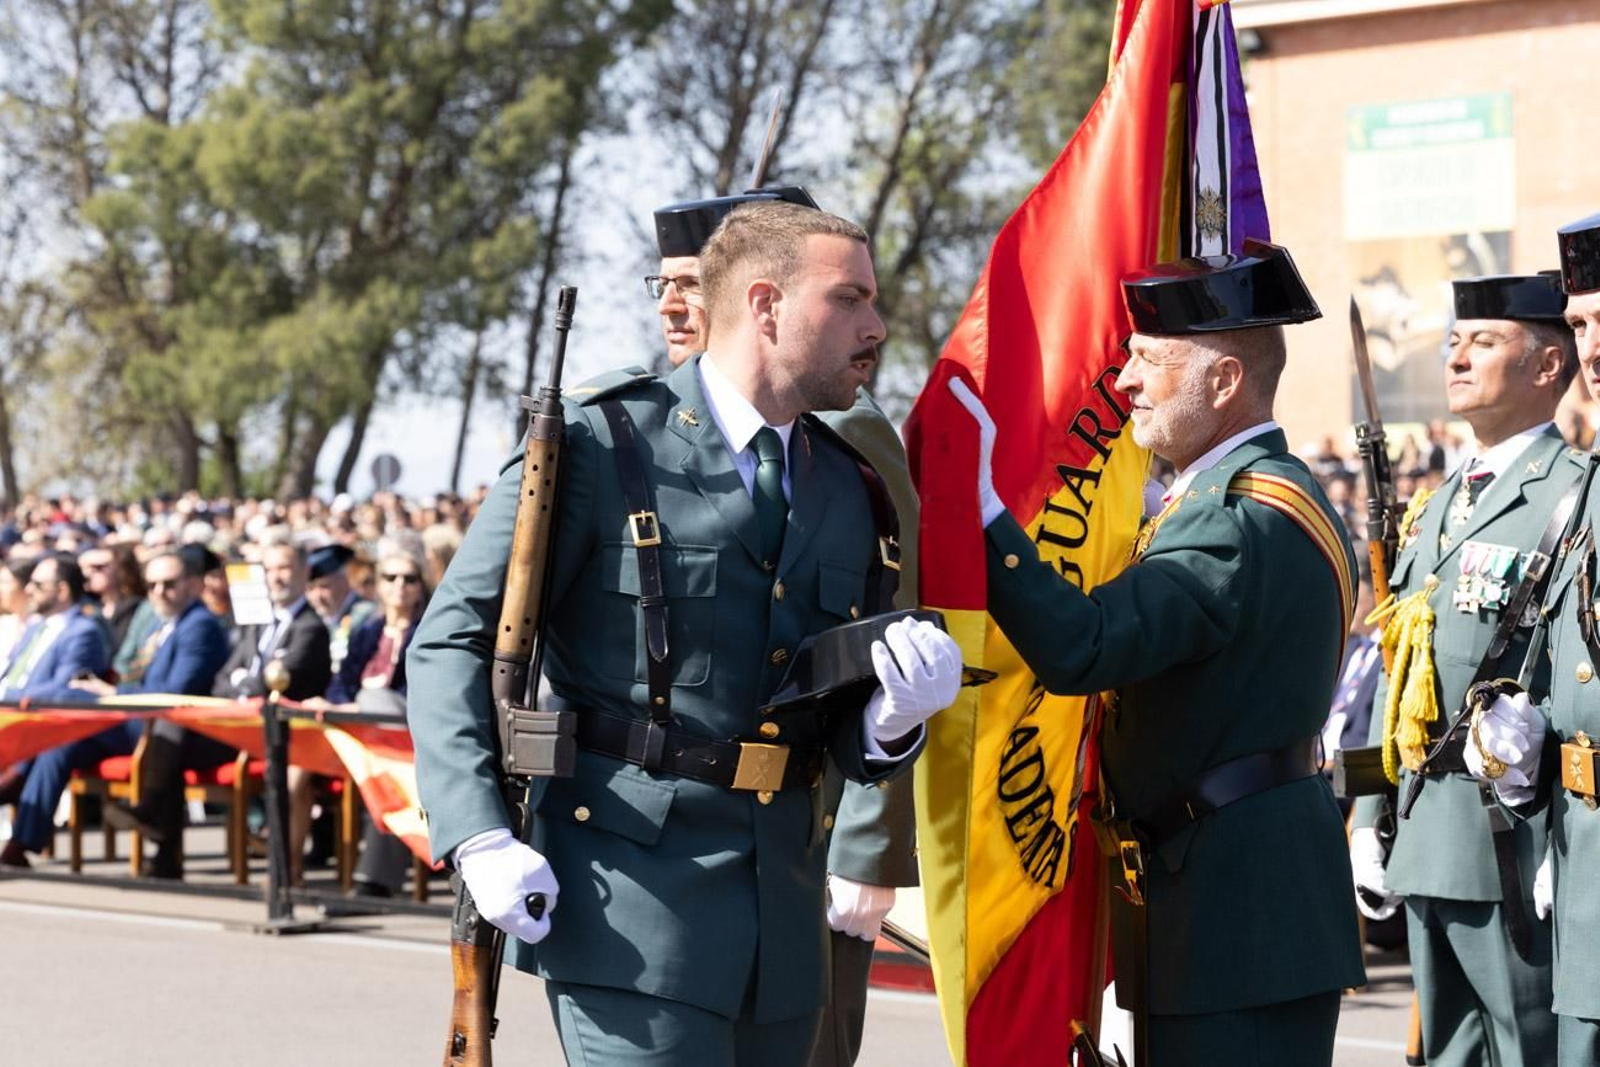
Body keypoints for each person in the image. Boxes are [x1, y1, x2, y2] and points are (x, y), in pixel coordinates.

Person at [408, 201, 961, 1066]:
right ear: (768, 305)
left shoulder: (850, 488)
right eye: (849, 298)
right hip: (629, 908)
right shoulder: (601, 445)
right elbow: (451, 642)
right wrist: (478, 833)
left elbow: (821, 714)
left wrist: (890, 723)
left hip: (783, 926)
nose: (876, 325)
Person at [948, 240, 1364, 1065]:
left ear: (1224, 380)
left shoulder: (1231, 518)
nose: (1127, 381)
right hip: (1223, 903)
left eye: (1148, 359)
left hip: (1234, 917)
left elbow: (1084, 647)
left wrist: (986, 513)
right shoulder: (1237, 496)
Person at [651, 185, 921, 1065]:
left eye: (693, 280)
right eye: (662, 284)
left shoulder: (840, 435)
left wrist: (868, 844)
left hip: (811, 825)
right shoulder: (650, 432)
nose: (675, 304)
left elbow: (883, 639)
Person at [1351, 273, 1576, 1066]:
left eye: (1484, 341)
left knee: (1530, 1050)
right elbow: (1398, 658)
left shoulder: (1571, 497)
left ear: (1546, 365)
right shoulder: (1439, 503)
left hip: (1512, 839)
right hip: (1425, 827)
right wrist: (1366, 813)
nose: (1457, 357)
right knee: (1449, 1053)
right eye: (1453, 341)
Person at [1465, 213, 1600, 1064]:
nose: (1593, 347)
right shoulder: (1586, 499)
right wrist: (1531, 757)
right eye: (1581, 324)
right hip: (1584, 869)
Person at [31, 549, 232, 878]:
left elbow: (175, 694)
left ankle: (151, 819)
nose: (158, 592)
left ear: (194, 585)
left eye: (168, 584)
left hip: (183, 728)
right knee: (63, 742)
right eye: (151, 585)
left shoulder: (199, 625)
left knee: (164, 733)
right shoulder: (164, 623)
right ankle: (25, 840)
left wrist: (113, 693)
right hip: (144, 722)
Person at [214, 541, 332, 883]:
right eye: (268, 570)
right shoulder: (258, 624)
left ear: (304, 572)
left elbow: (271, 683)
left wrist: (245, 683)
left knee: (292, 782)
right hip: (252, 731)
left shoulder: (310, 627)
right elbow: (222, 679)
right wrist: (243, 683)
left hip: (301, 735)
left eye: (283, 568)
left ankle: (287, 869)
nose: (275, 578)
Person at [0, 553, 114, 866]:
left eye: (38, 584)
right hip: (14, 717)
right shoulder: (37, 629)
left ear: (62, 591)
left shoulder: (83, 632)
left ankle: (19, 845)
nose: (29, 590)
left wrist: (12, 700)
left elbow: (66, 689)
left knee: (52, 746)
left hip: (43, 722)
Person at [304, 543, 375, 674]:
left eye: (324, 586)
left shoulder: (367, 615)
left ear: (344, 581)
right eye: (310, 589)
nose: (317, 596)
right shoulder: (310, 618)